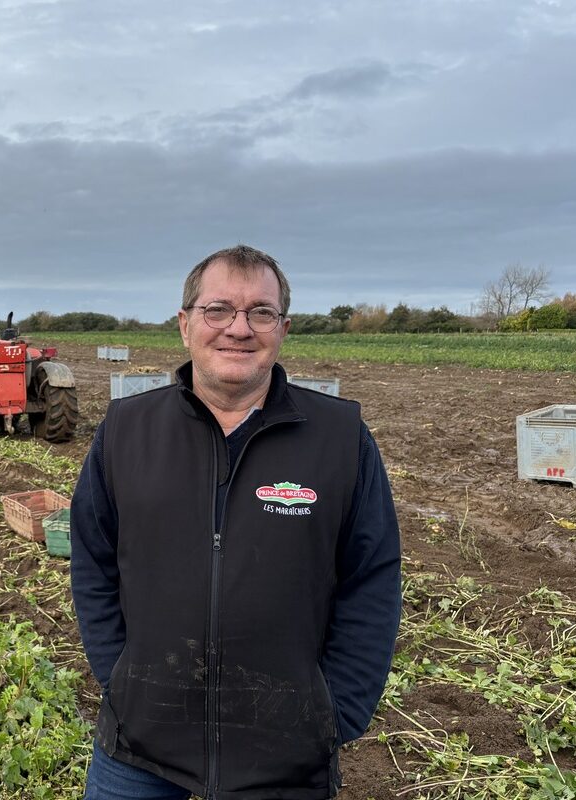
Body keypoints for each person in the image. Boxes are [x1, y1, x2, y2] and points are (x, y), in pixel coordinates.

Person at [70, 245, 401, 800]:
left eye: (260, 313)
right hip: (140, 745)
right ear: (185, 324)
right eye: (218, 309)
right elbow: (93, 560)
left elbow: (373, 578)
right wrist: (121, 679)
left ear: (283, 328)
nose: (239, 329)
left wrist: (335, 712)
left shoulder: (339, 438)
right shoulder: (127, 430)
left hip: (285, 752)